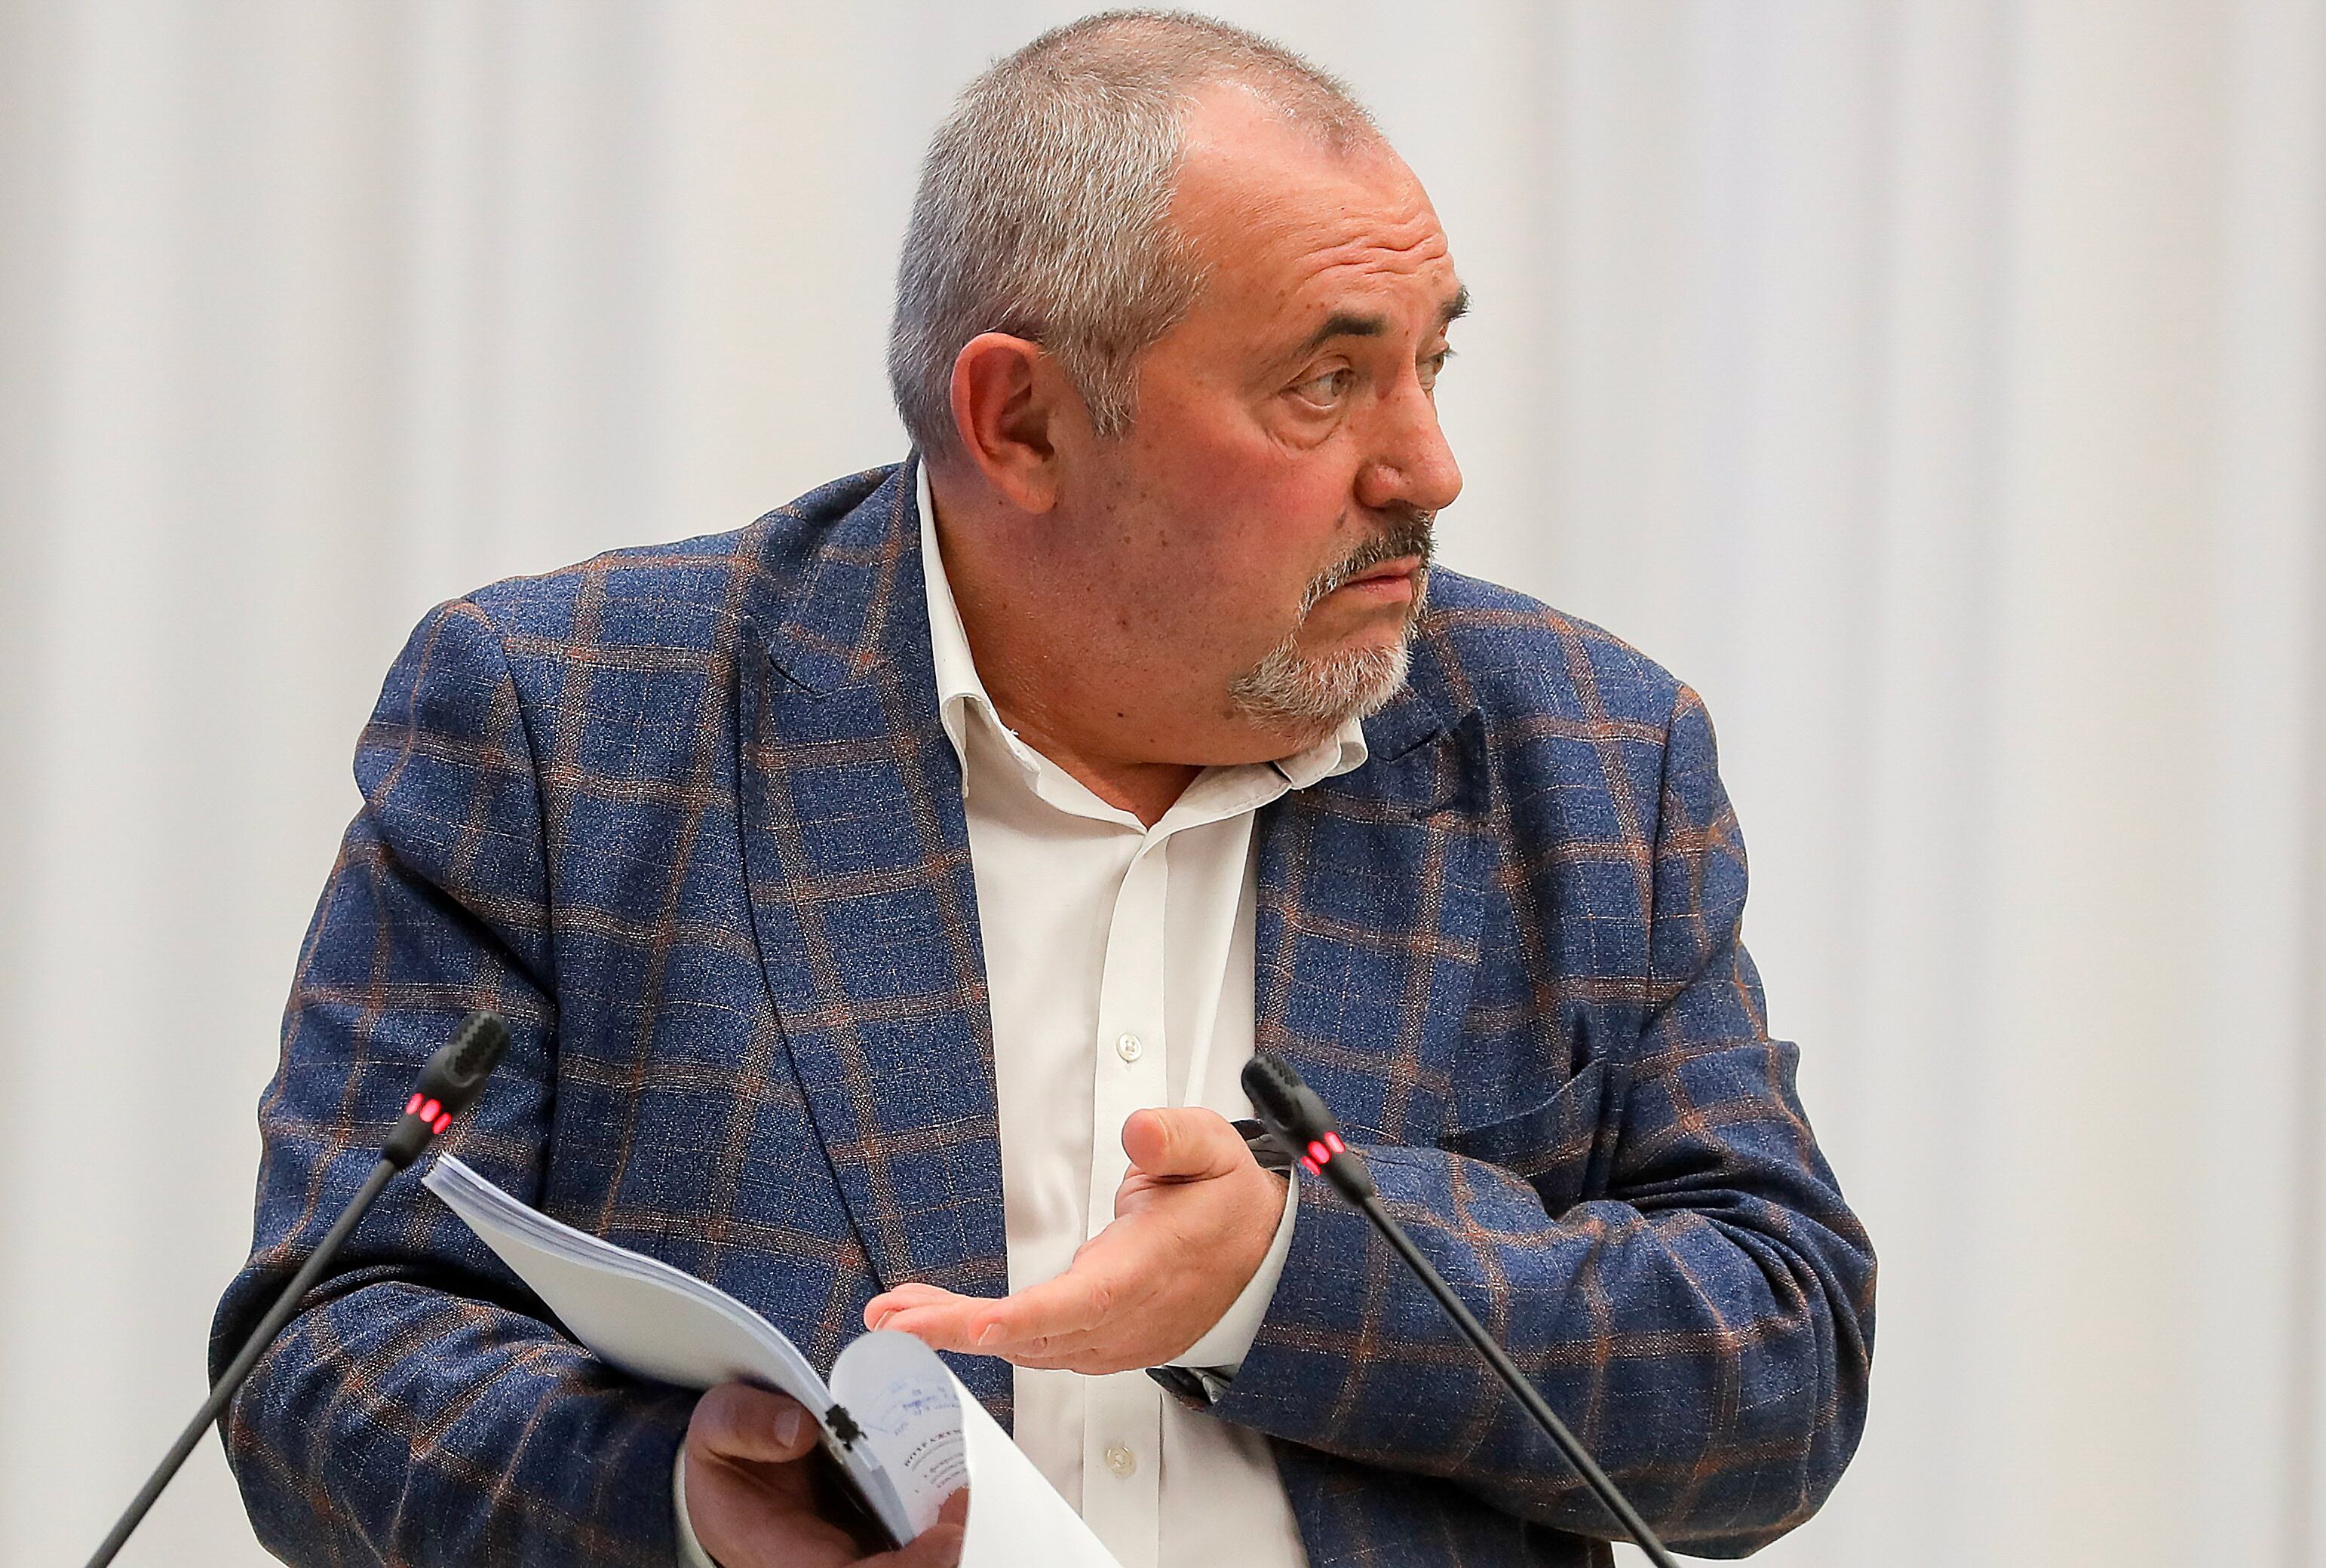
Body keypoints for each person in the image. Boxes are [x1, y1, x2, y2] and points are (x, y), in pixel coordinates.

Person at [213, 12, 1873, 1568]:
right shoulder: (571, 726)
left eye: (1433, 364)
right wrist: (677, 1504)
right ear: (1020, 420)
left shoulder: (1587, 754)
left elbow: (1781, 1361)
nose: (1428, 467)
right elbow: (329, 1351)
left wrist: (1290, 1278)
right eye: (1326, 381)